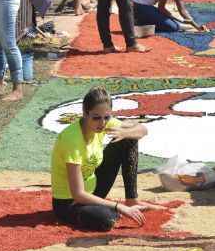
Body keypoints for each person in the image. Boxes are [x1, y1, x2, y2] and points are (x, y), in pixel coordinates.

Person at [51, 87, 160, 231]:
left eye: (107, 117)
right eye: (96, 118)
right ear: (84, 113)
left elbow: (143, 130)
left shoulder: (103, 123)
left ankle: (131, 200)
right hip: (69, 203)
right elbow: (78, 194)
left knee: (128, 138)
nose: (102, 123)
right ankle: (114, 209)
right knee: (106, 220)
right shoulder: (72, 140)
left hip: (93, 191)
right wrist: (117, 207)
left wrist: (126, 131)